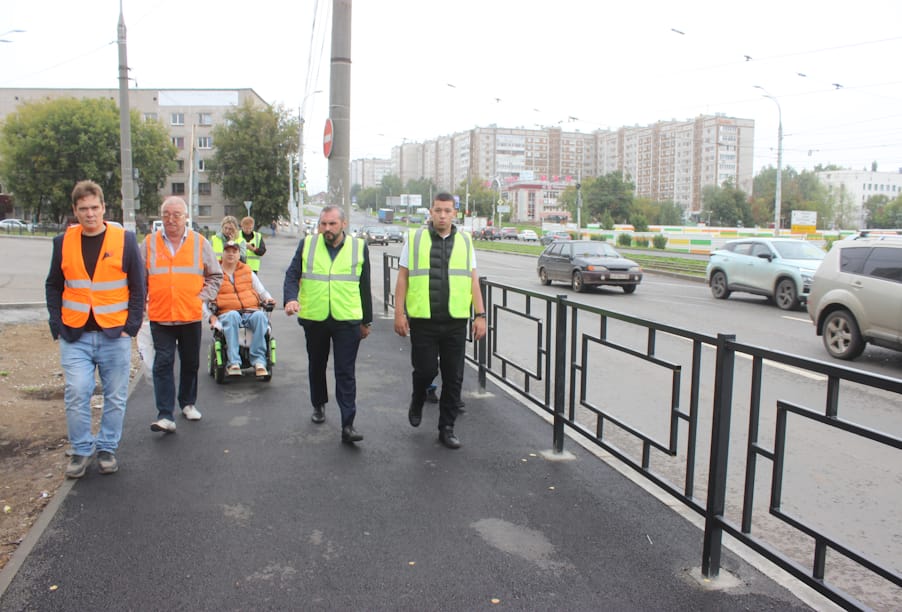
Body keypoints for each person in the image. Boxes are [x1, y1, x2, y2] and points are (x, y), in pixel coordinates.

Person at [45, 180, 145, 477]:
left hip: (114, 334)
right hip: (75, 334)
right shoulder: (63, 242)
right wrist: (56, 323)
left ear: (103, 208)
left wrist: (131, 326)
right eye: (83, 209)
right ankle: (81, 450)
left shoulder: (124, 240)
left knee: (115, 396)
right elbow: (53, 285)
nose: (89, 214)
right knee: (77, 391)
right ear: (75, 211)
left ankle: (106, 448)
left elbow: (138, 286)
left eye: (94, 208)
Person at [393, 192, 486, 449]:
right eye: (438, 210)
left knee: (454, 377)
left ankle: (447, 428)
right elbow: (403, 278)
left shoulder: (465, 241)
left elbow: (473, 280)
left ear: (455, 213)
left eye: (447, 211)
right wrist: (399, 313)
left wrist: (480, 315)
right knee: (425, 370)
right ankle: (418, 397)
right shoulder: (414, 239)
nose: (442, 215)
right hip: (423, 320)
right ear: (431, 212)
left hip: (455, 321)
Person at [283, 204, 372, 444]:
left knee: (345, 371)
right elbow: (292, 275)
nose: (327, 228)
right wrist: (290, 298)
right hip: (315, 317)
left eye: (332, 224)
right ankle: (318, 404)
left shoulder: (358, 247)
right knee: (317, 364)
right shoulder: (307, 245)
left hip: (347, 318)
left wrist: (366, 321)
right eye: (323, 224)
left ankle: (348, 424)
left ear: (343, 224)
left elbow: (364, 285)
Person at [142, 196, 222, 433]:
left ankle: (187, 403)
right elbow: (138, 276)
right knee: (163, 362)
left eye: (176, 215)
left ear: (186, 217)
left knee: (190, 362)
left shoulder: (200, 242)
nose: (171, 219)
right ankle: (165, 415)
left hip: (190, 315)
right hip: (160, 315)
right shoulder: (149, 243)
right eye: (166, 215)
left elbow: (215, 275)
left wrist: (201, 297)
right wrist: (143, 299)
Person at [207, 240, 275, 377]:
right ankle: (234, 362)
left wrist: (268, 298)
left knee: (260, 316)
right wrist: (210, 312)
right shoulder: (215, 273)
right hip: (227, 312)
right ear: (223, 254)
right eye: (228, 251)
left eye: (234, 251)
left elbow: (261, 291)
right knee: (233, 316)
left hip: (250, 310)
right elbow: (208, 296)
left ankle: (259, 361)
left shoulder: (247, 270)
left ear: (239, 255)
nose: (231, 254)